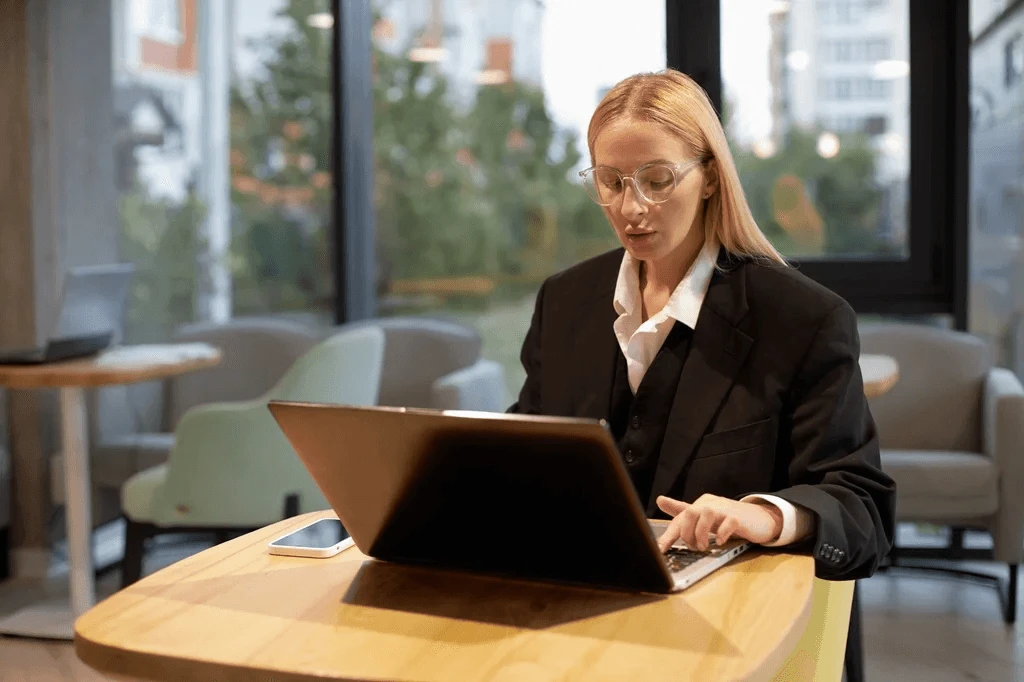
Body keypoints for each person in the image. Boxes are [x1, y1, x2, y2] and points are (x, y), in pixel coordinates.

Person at [508, 69, 896, 581]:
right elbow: (522, 454)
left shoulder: (803, 320)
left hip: (725, 619)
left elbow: (861, 511)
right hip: (571, 589)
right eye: (611, 181)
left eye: (657, 180)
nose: (631, 207)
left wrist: (763, 515)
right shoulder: (564, 301)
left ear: (710, 176)